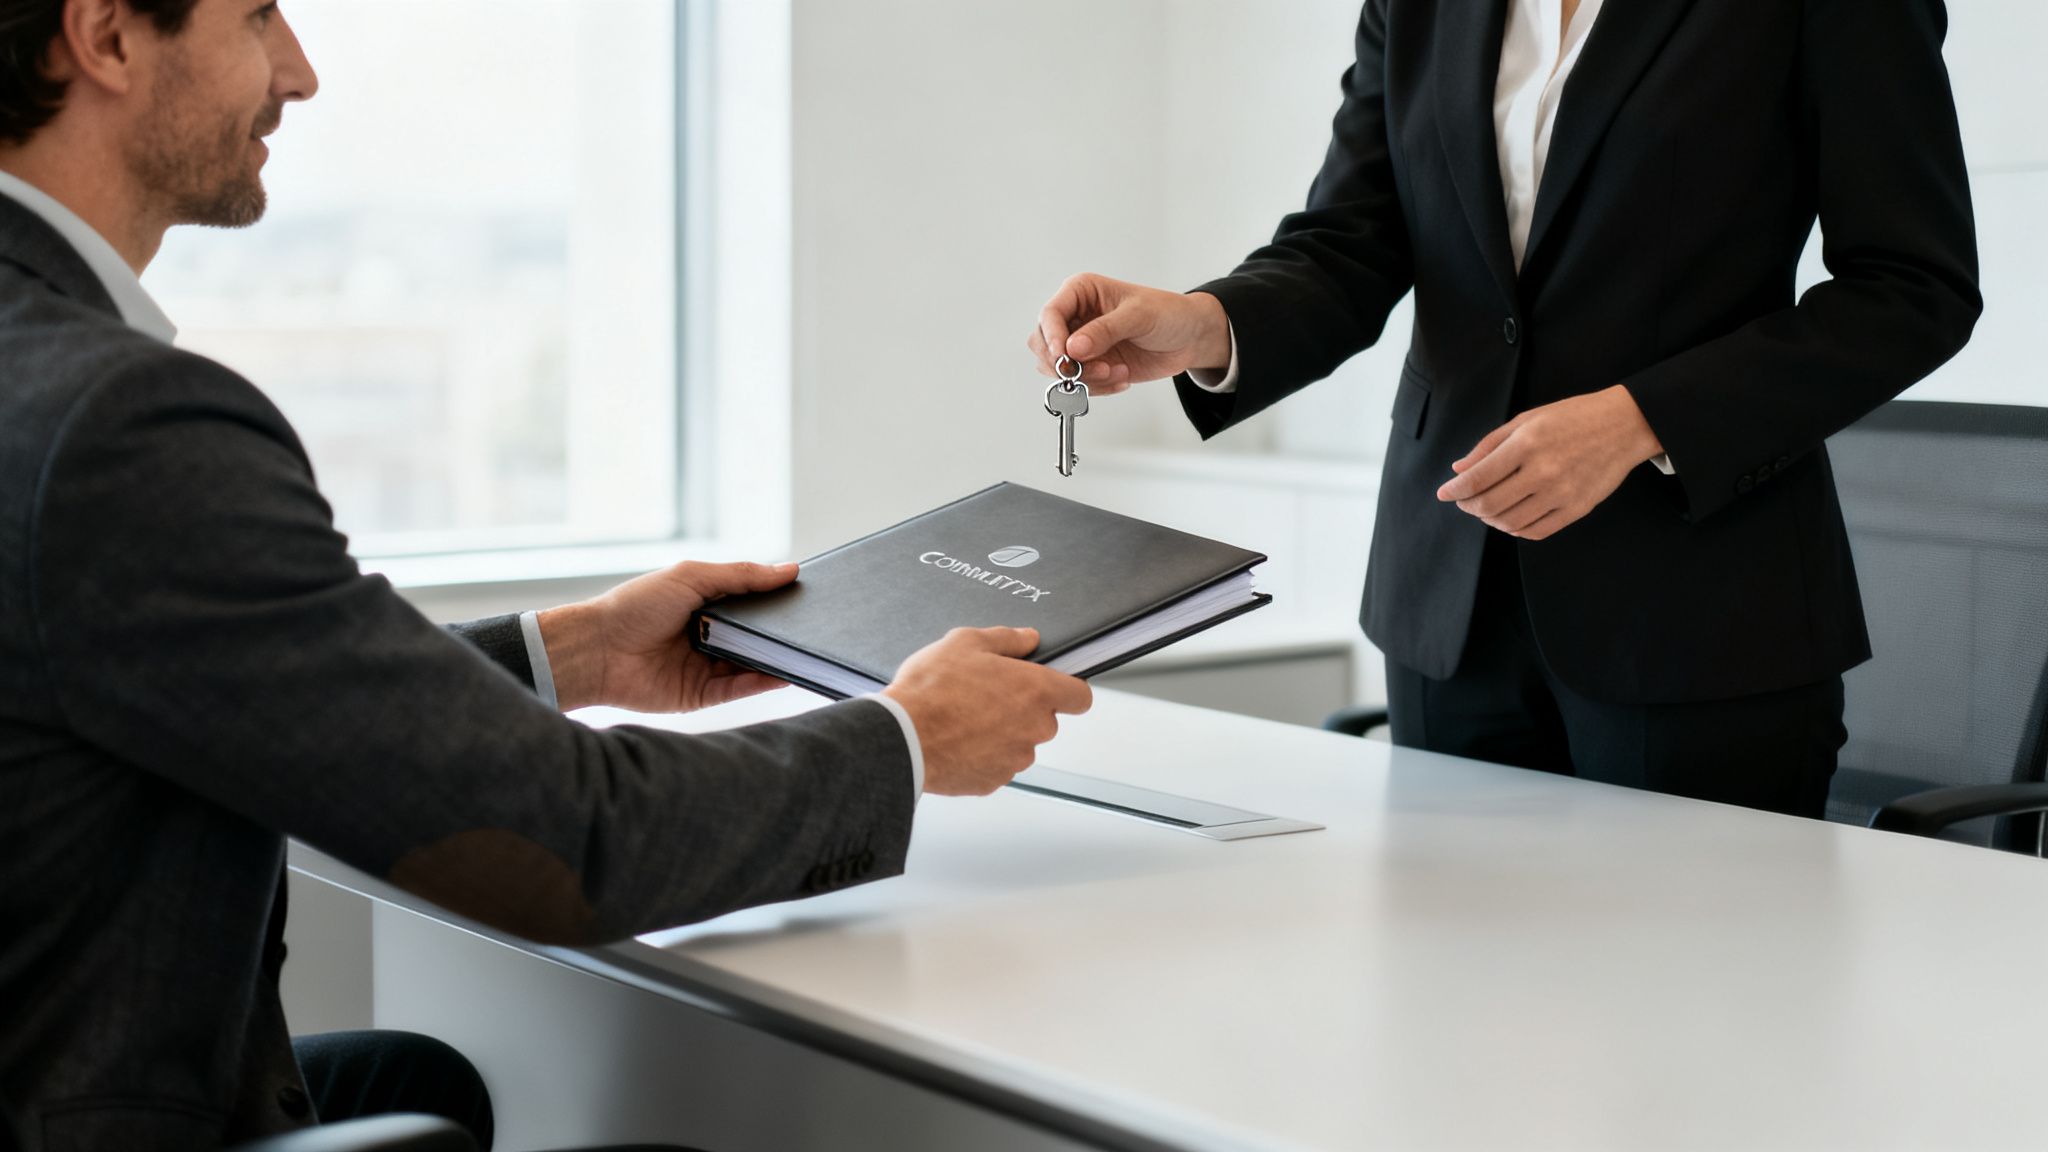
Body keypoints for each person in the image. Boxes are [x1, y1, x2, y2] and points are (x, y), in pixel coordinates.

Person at [0, 1, 1092, 1148]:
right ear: (108, 36)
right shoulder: (119, 426)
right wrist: (909, 743)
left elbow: (225, 685)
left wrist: (576, 653)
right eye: (258, 13)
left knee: (417, 1085)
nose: (301, 71)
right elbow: (569, 846)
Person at [1031, 0, 1980, 817]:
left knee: (1694, 1003)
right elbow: (1352, 241)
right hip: (1449, 604)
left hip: (1699, 621)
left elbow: (1911, 287)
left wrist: (1640, 420)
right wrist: (1207, 323)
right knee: (1455, 1001)